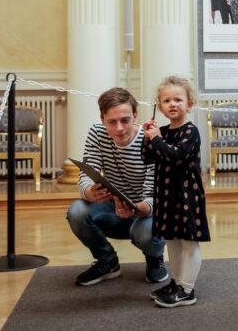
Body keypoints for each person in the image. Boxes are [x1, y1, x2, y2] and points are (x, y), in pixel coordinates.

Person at [66, 88, 168, 287]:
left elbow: (156, 196)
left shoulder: (151, 141)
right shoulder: (97, 133)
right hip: (113, 208)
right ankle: (107, 261)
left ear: (135, 116)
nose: (119, 128)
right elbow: (87, 174)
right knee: (77, 211)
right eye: (112, 122)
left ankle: (154, 258)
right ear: (102, 119)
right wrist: (89, 193)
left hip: (147, 213)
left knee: (145, 233)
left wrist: (138, 208)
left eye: (125, 120)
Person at [142, 76, 210, 308]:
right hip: (166, 196)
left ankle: (187, 290)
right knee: (172, 240)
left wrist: (157, 140)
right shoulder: (161, 132)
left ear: (189, 104)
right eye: (167, 100)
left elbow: (176, 156)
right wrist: (147, 138)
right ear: (159, 106)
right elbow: (148, 158)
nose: (173, 104)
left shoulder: (191, 131)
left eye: (178, 99)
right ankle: (176, 282)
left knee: (189, 242)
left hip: (186, 197)